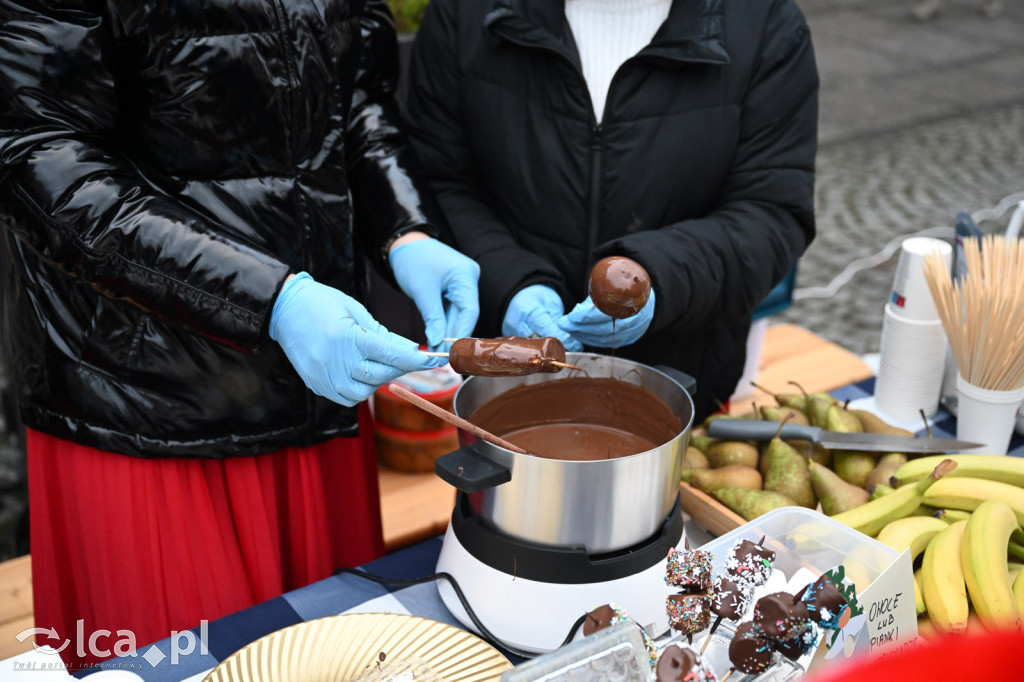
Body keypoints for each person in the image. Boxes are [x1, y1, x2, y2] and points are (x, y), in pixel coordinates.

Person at [0, 0, 479, 669]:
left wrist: (406, 226)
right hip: (148, 409)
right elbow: (39, 154)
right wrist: (271, 300)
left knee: (340, 655)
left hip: (316, 391)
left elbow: (357, 90)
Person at [405, 0, 819, 420]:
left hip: (679, 398)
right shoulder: (465, 12)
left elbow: (772, 213)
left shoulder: (766, 25)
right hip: (502, 396)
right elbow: (435, 179)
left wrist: (660, 281)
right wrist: (508, 282)